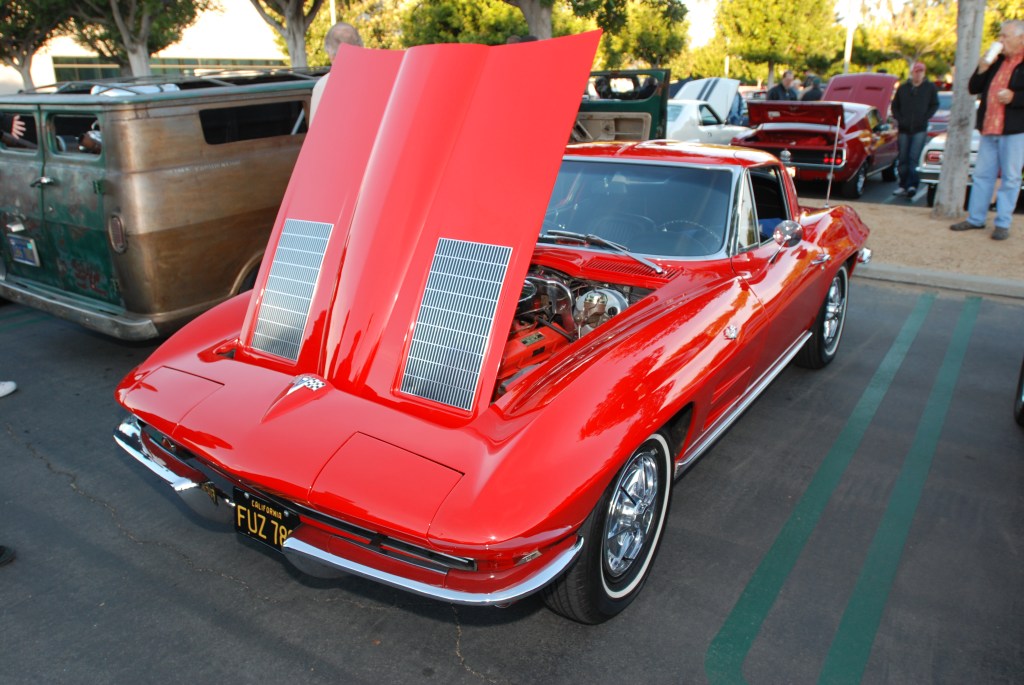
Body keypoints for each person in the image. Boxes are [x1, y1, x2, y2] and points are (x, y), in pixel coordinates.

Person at [950, 20, 1024, 241]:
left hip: (1014, 130)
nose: (1000, 41)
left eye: (1005, 37)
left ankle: (1002, 223)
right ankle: (976, 219)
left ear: (1021, 39)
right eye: (1000, 36)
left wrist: (1015, 97)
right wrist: (981, 68)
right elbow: (974, 87)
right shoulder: (996, 60)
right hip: (989, 127)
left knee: (1010, 178)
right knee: (982, 175)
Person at [891, 62, 939, 198]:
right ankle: (902, 184)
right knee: (903, 157)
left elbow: (934, 104)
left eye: (921, 72)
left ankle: (912, 185)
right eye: (916, 71)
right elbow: (895, 106)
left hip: (919, 128)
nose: (918, 74)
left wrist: (925, 117)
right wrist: (900, 118)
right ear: (912, 73)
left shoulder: (929, 88)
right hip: (904, 128)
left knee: (914, 158)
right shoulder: (903, 88)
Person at [309, 22, 364, 123]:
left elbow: (316, 134)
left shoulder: (322, 86)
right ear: (361, 47)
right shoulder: (381, 81)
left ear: (331, 55)